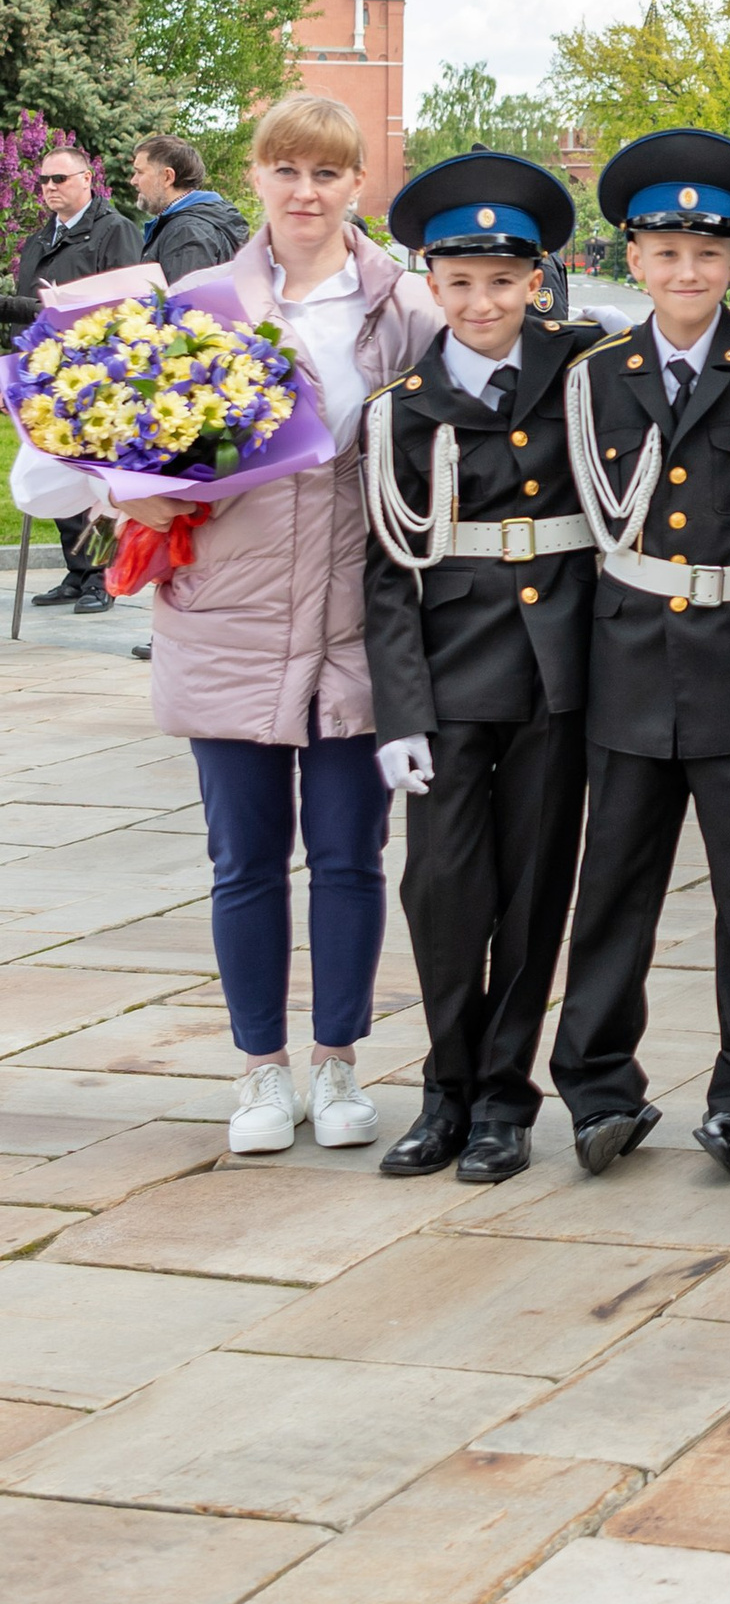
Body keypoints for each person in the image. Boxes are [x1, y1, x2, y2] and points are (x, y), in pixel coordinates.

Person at [24, 95, 441, 1154]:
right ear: (255, 176)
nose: (306, 192)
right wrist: (131, 495)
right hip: (227, 618)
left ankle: (338, 1063)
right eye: (286, 169)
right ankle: (260, 1070)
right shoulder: (194, 304)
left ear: (358, 185)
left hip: (357, 622)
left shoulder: (407, 308)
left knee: (350, 855)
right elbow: (53, 465)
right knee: (243, 859)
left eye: (328, 173)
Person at [549, 130, 730, 1179]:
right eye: (665, 253)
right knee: (613, 886)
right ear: (634, 259)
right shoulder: (595, 376)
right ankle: (598, 1088)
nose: (687, 271)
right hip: (627, 658)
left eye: (708, 253)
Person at [363, 151, 603, 1185]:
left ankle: (504, 1099)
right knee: (444, 888)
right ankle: (444, 1087)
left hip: (559, 670)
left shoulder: (584, 368)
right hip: (453, 673)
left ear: (536, 281)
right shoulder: (401, 407)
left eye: (503, 281)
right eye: (459, 282)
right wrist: (398, 713)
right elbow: (386, 570)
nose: (481, 302)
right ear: (430, 283)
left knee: (536, 889)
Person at [5, 143, 141, 613]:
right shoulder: (41, 238)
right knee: (57, 468)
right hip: (46, 373)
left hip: (97, 373)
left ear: (87, 179)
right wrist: (16, 372)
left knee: (99, 482)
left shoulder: (114, 231)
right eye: (43, 180)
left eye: (59, 179)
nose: (49, 188)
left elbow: (125, 301)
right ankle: (77, 570)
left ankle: (104, 576)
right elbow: (30, 314)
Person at [132, 139, 251, 283]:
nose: (133, 181)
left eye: (139, 172)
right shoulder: (195, 221)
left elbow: (186, 296)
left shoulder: (187, 232)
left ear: (167, 177)